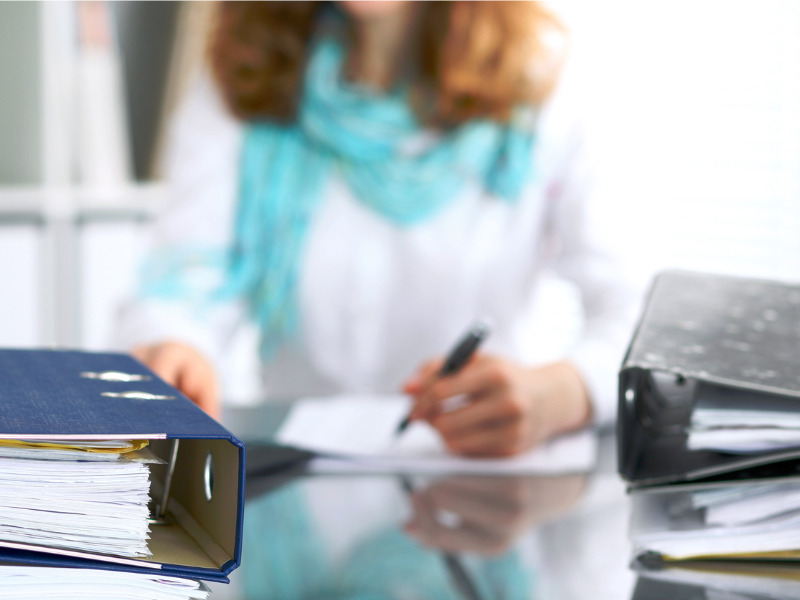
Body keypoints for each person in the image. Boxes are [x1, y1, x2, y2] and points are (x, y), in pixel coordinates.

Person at [116, 1, 636, 457]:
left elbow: (642, 317)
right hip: (292, 499)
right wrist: (176, 344)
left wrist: (568, 392)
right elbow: (182, 278)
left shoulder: (544, 86)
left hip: (479, 492)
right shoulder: (246, 73)